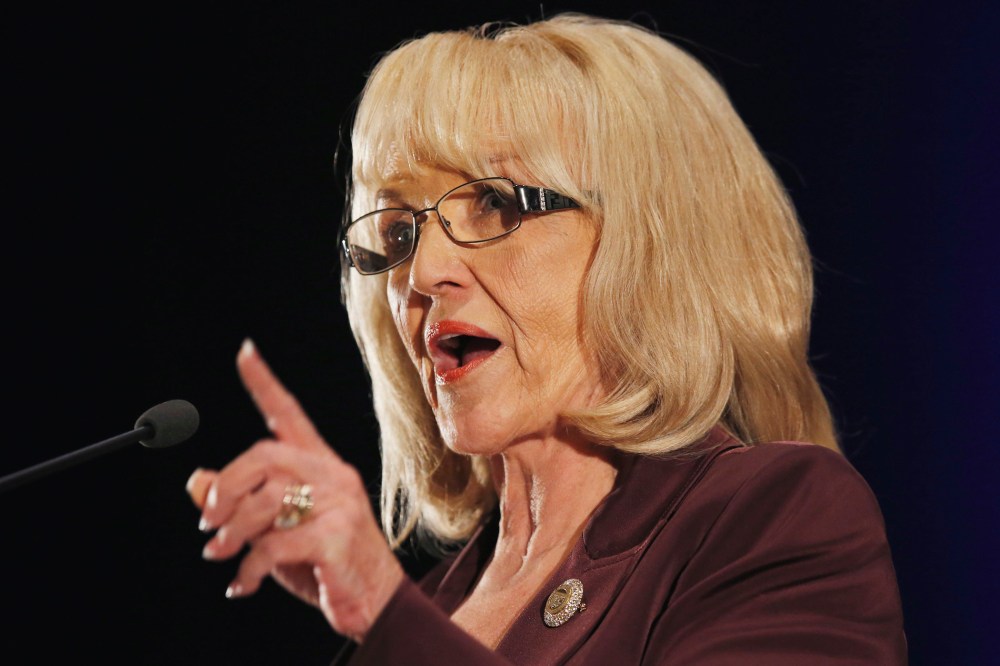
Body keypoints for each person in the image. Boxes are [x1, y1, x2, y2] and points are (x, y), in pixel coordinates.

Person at [186, 13, 907, 664]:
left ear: (652, 243)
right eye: (400, 231)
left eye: (496, 203)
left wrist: (382, 609)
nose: (423, 272)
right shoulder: (424, 611)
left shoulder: (775, 522)